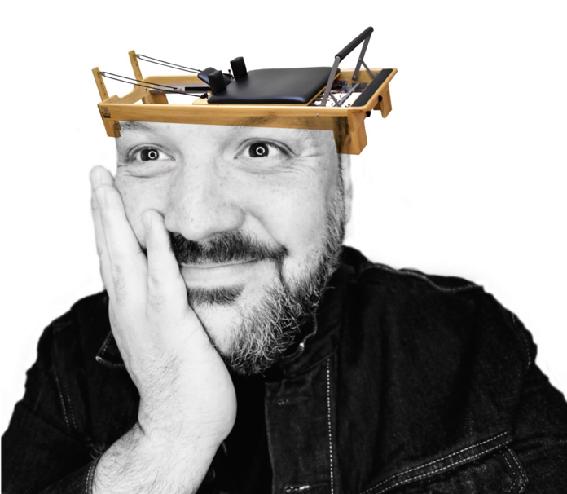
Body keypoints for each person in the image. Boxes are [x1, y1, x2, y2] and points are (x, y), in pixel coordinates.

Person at [3, 119, 567, 493]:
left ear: (341, 182)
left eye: (261, 149)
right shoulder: (72, 356)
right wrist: (170, 437)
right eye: (150, 153)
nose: (196, 221)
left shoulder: (465, 342)